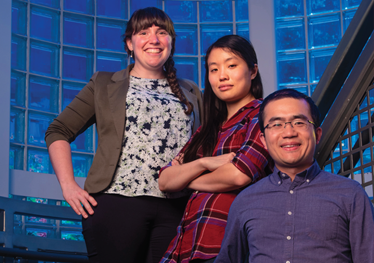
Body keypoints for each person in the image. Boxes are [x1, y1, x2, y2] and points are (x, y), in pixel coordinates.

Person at [45, 7, 202, 263]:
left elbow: (205, 144)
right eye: (144, 32)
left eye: (162, 32)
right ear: (129, 43)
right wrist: (68, 186)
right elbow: (58, 131)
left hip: (178, 206)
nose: (154, 39)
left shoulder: (191, 91)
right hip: (116, 202)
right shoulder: (104, 83)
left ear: (171, 42)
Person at [215, 89, 374, 263]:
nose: (289, 132)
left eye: (299, 122)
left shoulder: (351, 194)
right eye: (276, 124)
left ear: (317, 134)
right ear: (263, 140)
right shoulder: (245, 200)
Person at [158, 35, 273, 263]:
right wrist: (204, 163)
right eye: (213, 69)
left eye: (231, 65)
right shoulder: (207, 129)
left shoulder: (264, 115)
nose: (222, 76)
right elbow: (165, 180)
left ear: (252, 71)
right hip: (187, 245)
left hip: (229, 244)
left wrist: (186, 180)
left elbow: (239, 175)